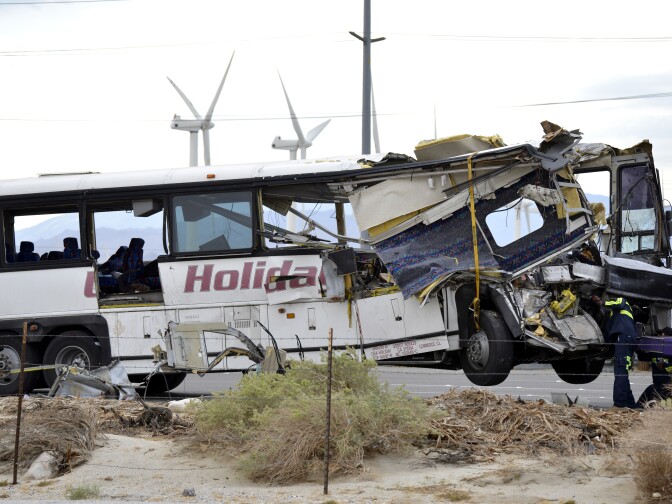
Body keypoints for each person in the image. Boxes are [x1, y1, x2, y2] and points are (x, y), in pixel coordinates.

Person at [604, 297, 640, 409]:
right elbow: (608, 333)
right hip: (626, 338)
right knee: (623, 370)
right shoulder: (615, 316)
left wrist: (601, 301)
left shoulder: (623, 301)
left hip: (624, 337)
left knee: (620, 370)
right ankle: (630, 404)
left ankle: (619, 404)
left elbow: (618, 303)